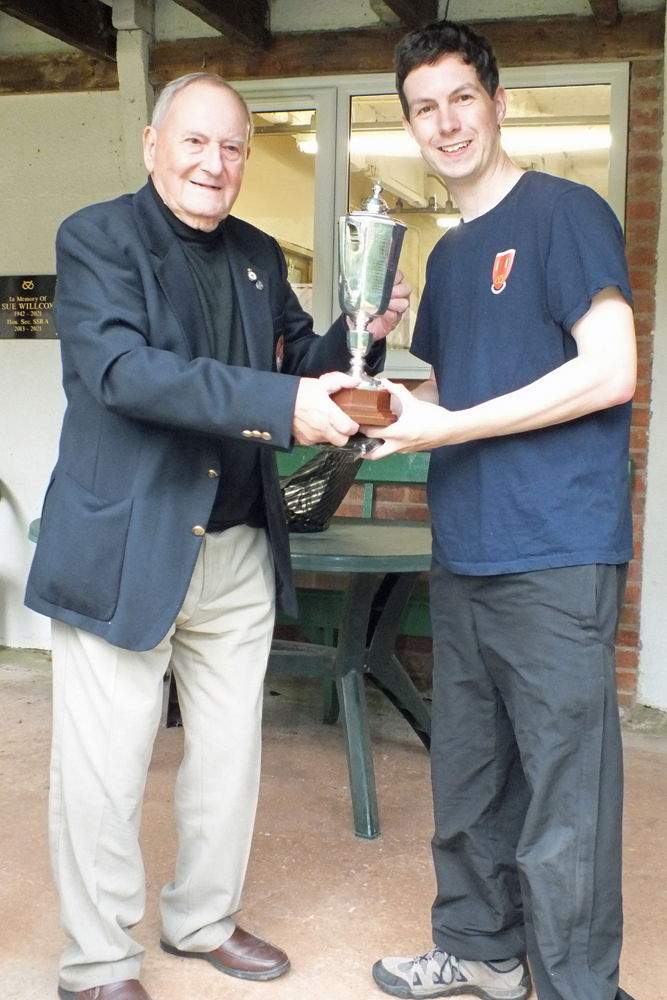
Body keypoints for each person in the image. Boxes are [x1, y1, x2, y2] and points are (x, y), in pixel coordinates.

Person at [25, 72, 409, 1000]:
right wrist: (286, 402)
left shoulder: (255, 253)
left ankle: (201, 920)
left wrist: (361, 335)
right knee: (105, 774)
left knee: (228, 763)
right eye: (194, 142)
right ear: (153, 145)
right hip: (126, 547)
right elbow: (127, 373)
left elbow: (299, 361)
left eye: (232, 146)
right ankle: (99, 962)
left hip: (234, 545)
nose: (215, 162)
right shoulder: (97, 239)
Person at [366, 20, 637, 1000]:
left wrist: (447, 425)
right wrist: (378, 384)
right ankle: (479, 951)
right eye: (423, 107)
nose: (445, 122)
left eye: (460, 98)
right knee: (470, 776)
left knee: (565, 794)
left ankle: (575, 986)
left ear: (497, 100)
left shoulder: (565, 213)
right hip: (466, 549)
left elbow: (611, 370)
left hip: (555, 548)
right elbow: (446, 399)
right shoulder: (446, 258)